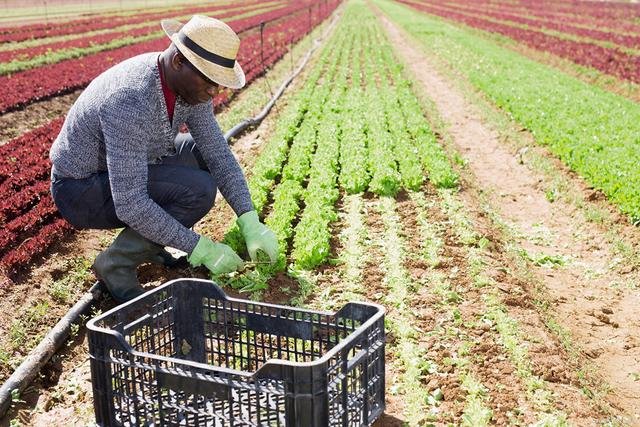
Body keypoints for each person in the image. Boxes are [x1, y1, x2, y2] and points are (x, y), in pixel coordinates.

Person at [49, 15, 278, 303]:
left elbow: (217, 152)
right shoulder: (130, 99)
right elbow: (131, 203)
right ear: (179, 62)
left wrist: (249, 219)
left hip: (130, 166)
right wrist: (201, 248)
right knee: (198, 191)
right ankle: (116, 265)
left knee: (200, 153)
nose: (214, 92)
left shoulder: (189, 88)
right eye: (210, 81)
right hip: (81, 188)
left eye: (218, 83)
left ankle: (152, 243)